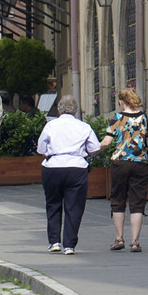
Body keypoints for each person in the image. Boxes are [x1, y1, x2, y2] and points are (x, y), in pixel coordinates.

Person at [38, 94, 100, 254]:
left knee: (53, 204)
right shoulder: (83, 127)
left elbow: (41, 149)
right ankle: (69, 244)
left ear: (59, 110)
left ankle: (54, 241)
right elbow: (94, 148)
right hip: (76, 167)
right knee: (74, 207)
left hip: (53, 166)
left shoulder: (51, 126)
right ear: (75, 111)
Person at [103, 88, 148, 252]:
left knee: (117, 199)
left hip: (120, 163)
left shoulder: (118, 118)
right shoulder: (146, 118)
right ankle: (135, 241)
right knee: (137, 201)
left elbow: (106, 142)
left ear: (121, 101)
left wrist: (91, 151)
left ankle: (119, 239)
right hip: (141, 163)